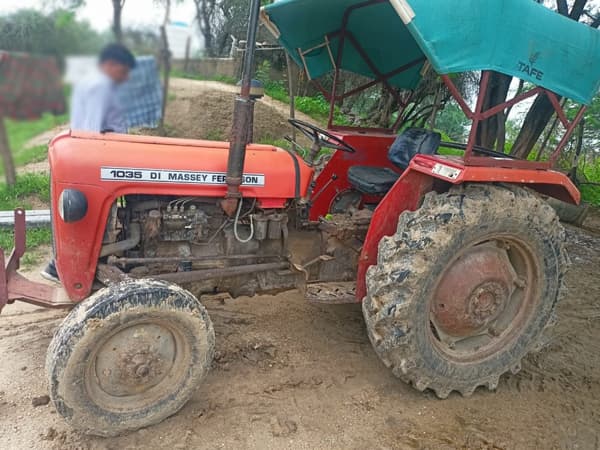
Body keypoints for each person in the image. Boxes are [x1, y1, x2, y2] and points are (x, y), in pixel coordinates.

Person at [41, 43, 136, 282]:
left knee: (87, 219)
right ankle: (75, 268)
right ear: (112, 65)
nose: (125, 78)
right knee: (96, 217)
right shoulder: (101, 86)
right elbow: (92, 130)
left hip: (86, 156)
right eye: (124, 72)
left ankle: (77, 264)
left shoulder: (90, 82)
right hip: (95, 159)